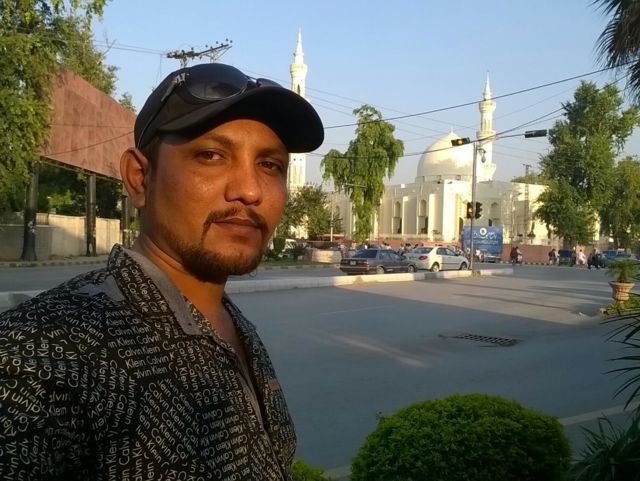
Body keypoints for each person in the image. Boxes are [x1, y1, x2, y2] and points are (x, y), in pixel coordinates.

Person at [0, 63, 324, 480]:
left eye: (269, 165)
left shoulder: (234, 326)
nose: (249, 190)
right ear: (139, 178)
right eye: (211, 155)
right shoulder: (41, 352)